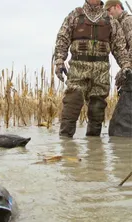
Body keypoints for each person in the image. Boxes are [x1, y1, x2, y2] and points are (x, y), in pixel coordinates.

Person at [54, 0, 131, 138]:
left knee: (97, 110)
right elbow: (62, 38)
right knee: (72, 103)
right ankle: (65, 145)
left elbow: (119, 47)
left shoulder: (111, 21)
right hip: (78, 68)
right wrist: (59, 61)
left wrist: (126, 66)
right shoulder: (75, 16)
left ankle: (94, 149)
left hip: (101, 71)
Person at [105, 0, 132, 87]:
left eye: (109, 10)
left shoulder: (128, 21)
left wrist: (127, 68)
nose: (108, 14)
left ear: (117, 7)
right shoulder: (118, 24)